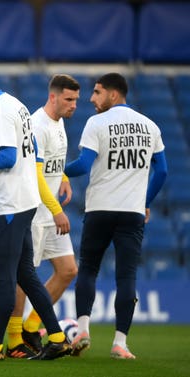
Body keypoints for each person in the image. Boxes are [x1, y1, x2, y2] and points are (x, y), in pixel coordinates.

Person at [0, 56, 70, 361]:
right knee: (26, 275)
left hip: (11, 205)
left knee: (4, 278)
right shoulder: (16, 105)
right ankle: (57, 338)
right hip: (26, 201)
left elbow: (7, 157)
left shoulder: (0, 112)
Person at [64, 73, 167, 359]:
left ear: (112, 94)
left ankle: (82, 329)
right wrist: (145, 201)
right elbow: (162, 171)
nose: (92, 99)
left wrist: (56, 169)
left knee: (88, 269)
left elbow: (83, 165)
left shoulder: (97, 123)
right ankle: (120, 343)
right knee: (126, 277)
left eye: (97, 93)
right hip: (131, 213)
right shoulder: (150, 126)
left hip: (99, 209)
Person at [12, 74, 81, 353]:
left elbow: (53, 160)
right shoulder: (37, 125)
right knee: (24, 275)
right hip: (37, 213)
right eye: (69, 99)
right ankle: (16, 338)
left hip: (51, 213)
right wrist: (56, 210)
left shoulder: (59, 121)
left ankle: (31, 327)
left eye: (76, 99)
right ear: (53, 97)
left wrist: (63, 175)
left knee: (67, 271)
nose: (74, 105)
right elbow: (35, 173)